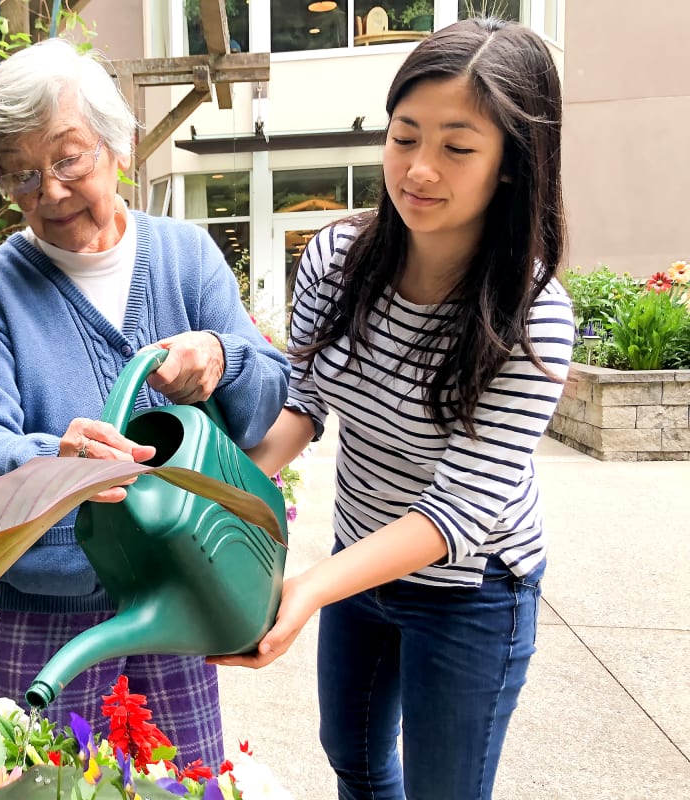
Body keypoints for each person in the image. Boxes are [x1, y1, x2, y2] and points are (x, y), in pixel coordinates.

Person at [211, 18, 574, 800]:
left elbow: (455, 514)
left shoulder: (532, 318)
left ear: (512, 164)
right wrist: (223, 490)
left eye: (457, 146)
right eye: (405, 136)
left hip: (475, 590)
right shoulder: (338, 260)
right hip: (360, 564)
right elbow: (306, 401)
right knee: (358, 761)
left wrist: (307, 588)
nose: (419, 169)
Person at [0, 37, 292, 766]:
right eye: (22, 176)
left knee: (186, 782)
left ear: (118, 144)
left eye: (68, 159)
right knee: (45, 785)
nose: (51, 192)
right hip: (46, 611)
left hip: (183, 595)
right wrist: (56, 459)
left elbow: (266, 397)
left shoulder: (185, 256)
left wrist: (223, 360)